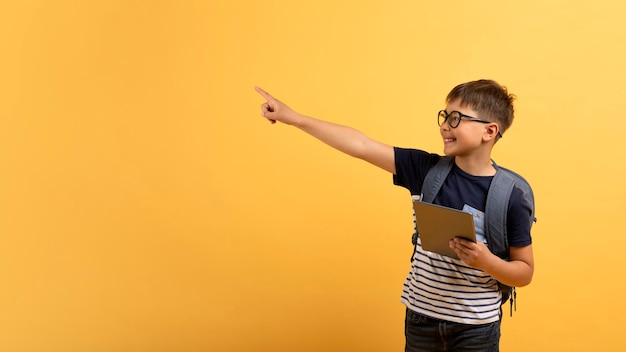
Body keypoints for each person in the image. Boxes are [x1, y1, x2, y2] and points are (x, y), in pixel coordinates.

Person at [255, 79, 534, 352]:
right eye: (444, 116)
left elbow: (524, 272)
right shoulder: (425, 169)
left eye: (456, 118)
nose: (444, 126)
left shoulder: (510, 197)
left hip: (477, 327)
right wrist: (295, 119)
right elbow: (361, 145)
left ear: (490, 131)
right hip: (420, 317)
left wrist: (486, 261)